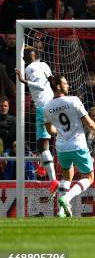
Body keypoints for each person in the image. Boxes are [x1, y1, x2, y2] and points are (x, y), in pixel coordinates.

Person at [44, 75, 95, 217]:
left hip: (61, 148)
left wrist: (61, 131)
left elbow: (50, 130)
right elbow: (89, 123)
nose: (68, 85)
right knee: (89, 177)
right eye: (65, 83)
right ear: (58, 86)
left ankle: (61, 211)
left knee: (67, 176)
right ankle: (66, 199)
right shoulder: (73, 100)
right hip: (78, 145)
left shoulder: (47, 107)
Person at [15, 47, 58, 194]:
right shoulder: (44, 65)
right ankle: (41, 165)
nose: (24, 55)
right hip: (54, 103)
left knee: (42, 145)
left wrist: (23, 81)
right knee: (48, 139)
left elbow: (40, 86)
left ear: (35, 55)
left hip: (43, 107)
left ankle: (53, 180)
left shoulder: (30, 68)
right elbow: (52, 81)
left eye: (27, 52)